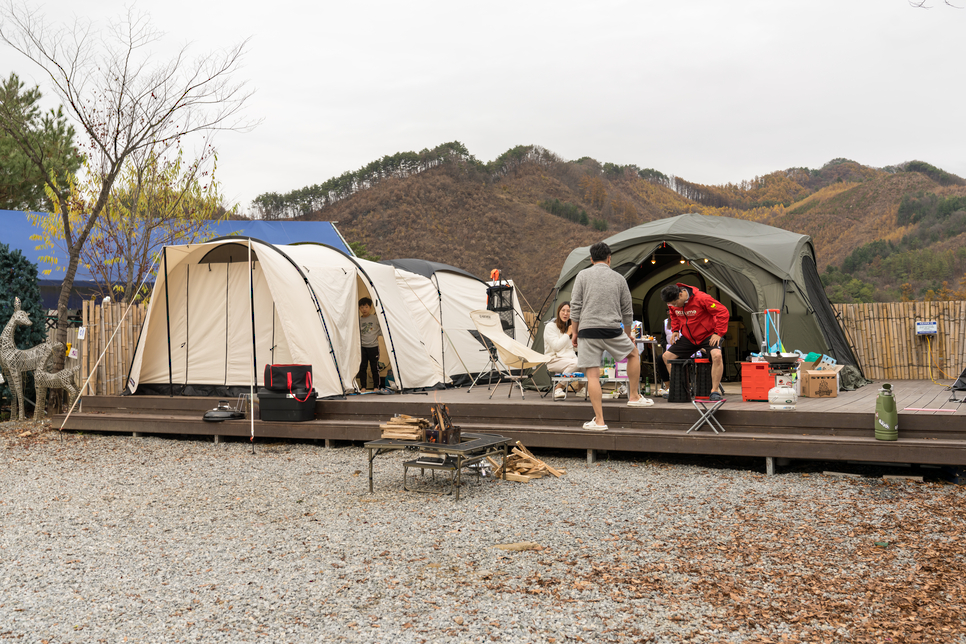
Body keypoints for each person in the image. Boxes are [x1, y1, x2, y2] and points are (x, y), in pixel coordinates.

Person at [570, 242, 653, 431]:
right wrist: (628, 334)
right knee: (633, 354)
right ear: (609, 258)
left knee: (592, 376)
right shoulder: (619, 278)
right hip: (612, 329)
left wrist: (575, 331)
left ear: (591, 259)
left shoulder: (582, 275)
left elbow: (575, 306)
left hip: (588, 331)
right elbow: (627, 311)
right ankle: (633, 397)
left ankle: (599, 421)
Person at [661, 283, 730, 401]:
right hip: (689, 337)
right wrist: (676, 330)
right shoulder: (673, 303)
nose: (673, 306)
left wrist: (718, 333)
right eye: (670, 304)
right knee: (667, 356)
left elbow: (723, 312)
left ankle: (714, 391)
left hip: (707, 335)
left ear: (681, 294)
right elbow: (673, 315)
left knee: (717, 356)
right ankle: (681, 388)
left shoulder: (702, 298)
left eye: (674, 303)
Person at [544, 301, 580, 400]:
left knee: (586, 361)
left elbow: (573, 348)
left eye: (568, 311)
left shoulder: (569, 327)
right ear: (558, 312)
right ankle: (558, 388)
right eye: (563, 310)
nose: (565, 313)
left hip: (569, 359)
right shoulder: (550, 327)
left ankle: (582, 389)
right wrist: (568, 334)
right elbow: (556, 347)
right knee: (577, 363)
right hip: (553, 360)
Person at [357, 297, 382, 391]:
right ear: (359, 308)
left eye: (366, 307)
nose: (364, 309)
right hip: (363, 347)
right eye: (362, 307)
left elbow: (382, 329)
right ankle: (363, 386)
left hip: (373, 347)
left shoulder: (375, 318)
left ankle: (376, 386)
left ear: (371, 307)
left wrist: (377, 335)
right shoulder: (358, 320)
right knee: (363, 367)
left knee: (374, 367)